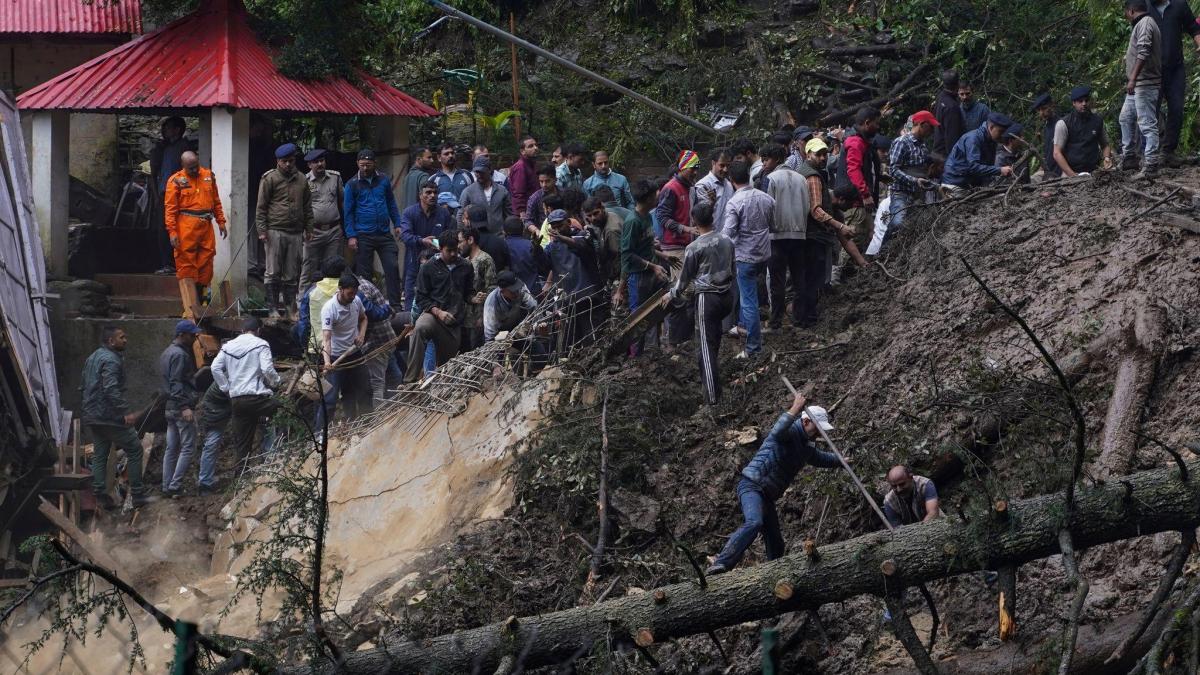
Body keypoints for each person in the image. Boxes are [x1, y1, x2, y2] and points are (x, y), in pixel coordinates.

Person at [706, 392, 841, 574]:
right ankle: (721, 563)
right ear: (806, 422)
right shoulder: (790, 431)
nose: (819, 433)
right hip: (752, 485)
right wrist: (795, 408)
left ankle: (773, 575)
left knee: (776, 542)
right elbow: (778, 430)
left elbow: (820, 458)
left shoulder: (807, 445)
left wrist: (841, 460)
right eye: (818, 428)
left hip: (768, 495)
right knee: (754, 522)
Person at [662, 203, 734, 405]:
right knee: (714, 339)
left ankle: (712, 400)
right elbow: (733, 267)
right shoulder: (727, 240)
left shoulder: (694, 247)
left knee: (705, 348)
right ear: (712, 218)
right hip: (727, 295)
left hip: (707, 298)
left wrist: (671, 294)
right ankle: (713, 386)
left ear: (694, 222)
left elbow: (684, 279)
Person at [81, 327, 149, 509]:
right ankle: (138, 494)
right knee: (134, 448)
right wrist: (125, 411)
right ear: (111, 341)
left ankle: (100, 495)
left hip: (92, 415)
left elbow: (83, 385)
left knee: (100, 454)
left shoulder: (92, 357)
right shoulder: (111, 360)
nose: (125, 340)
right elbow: (111, 388)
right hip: (108, 416)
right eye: (121, 337)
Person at [163, 150, 227, 317]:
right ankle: (190, 308)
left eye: (196, 166)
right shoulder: (175, 181)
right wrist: (172, 232)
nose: (194, 171)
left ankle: (205, 304)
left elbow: (216, 201)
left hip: (206, 225)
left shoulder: (208, 176)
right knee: (187, 267)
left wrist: (221, 222)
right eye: (190, 168)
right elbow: (170, 210)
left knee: (207, 267)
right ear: (183, 166)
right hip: (186, 226)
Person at [405, 230, 474, 382]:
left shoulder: (466, 266)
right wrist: (437, 312)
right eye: (449, 251)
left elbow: (468, 293)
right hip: (434, 317)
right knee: (421, 327)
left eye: (456, 250)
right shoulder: (428, 268)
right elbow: (421, 297)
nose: (454, 254)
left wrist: (474, 298)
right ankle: (410, 380)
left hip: (454, 322)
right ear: (440, 249)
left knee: (446, 366)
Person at [211, 316, 280, 462]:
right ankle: (273, 460)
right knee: (283, 411)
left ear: (242, 331)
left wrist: (226, 388)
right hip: (257, 399)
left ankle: (241, 477)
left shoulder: (228, 346)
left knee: (242, 444)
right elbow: (267, 369)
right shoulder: (261, 344)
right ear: (258, 330)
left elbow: (215, 367)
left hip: (237, 401)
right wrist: (276, 382)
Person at [256, 143, 314, 318]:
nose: (288, 164)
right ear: (278, 161)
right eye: (284, 161)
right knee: (273, 271)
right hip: (275, 230)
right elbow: (261, 207)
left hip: (295, 231)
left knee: (291, 273)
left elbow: (307, 206)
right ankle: (273, 309)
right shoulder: (270, 178)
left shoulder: (302, 179)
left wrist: (309, 228)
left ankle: (290, 309)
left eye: (291, 161)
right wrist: (262, 230)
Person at [723, 161, 773, 358]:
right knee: (752, 297)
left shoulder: (734, 202)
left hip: (745, 256)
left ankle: (753, 348)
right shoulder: (767, 198)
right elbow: (773, 225)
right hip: (764, 254)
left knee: (748, 300)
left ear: (731, 180)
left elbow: (727, 235)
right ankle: (744, 327)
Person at [758, 143, 810, 331]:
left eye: (766, 160)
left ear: (778, 160)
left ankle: (776, 322)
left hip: (776, 236)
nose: (764, 164)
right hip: (798, 234)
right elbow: (807, 206)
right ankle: (800, 319)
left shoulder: (770, 179)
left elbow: (766, 208)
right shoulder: (801, 178)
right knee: (799, 280)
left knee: (777, 282)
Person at [344, 148, 404, 308]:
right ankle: (368, 306)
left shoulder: (383, 180)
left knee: (392, 267)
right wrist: (351, 235)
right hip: (363, 234)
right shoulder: (352, 184)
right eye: (362, 165)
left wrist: (397, 224)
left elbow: (391, 203)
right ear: (357, 163)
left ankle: (396, 305)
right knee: (365, 274)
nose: (365, 168)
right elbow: (348, 212)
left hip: (384, 234)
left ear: (374, 164)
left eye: (368, 165)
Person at [800, 139, 863, 288]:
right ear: (808, 155)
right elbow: (815, 210)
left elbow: (845, 238)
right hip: (814, 236)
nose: (823, 158)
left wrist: (862, 262)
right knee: (815, 281)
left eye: (825, 154)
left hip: (809, 235)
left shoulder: (811, 173)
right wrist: (841, 226)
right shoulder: (813, 176)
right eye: (819, 154)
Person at [619, 180, 671, 355]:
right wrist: (652, 266)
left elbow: (647, 246)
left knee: (655, 314)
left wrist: (663, 257)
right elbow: (627, 253)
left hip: (651, 272)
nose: (658, 197)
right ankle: (636, 358)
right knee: (639, 318)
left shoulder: (648, 216)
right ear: (648, 198)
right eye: (655, 195)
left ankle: (651, 354)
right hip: (638, 276)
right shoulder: (632, 221)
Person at [1146, 0, 1200, 167]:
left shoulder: (1179, 5)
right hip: (1151, 70)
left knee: (1176, 108)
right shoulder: (1145, 6)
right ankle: (1148, 154)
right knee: (1150, 111)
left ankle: (1168, 152)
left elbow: (1193, 27)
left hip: (1175, 68)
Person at [317, 273, 370, 429]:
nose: (353, 296)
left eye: (354, 293)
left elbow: (364, 318)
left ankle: (365, 426)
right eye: (349, 293)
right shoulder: (329, 309)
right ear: (340, 289)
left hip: (354, 354)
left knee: (364, 390)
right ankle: (321, 434)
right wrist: (327, 363)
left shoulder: (357, 301)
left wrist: (361, 335)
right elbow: (326, 339)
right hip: (335, 357)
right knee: (330, 399)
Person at [1121, 0, 1164, 180]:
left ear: (1131, 11)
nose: (1125, 16)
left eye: (1126, 12)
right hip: (1138, 84)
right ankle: (1129, 157)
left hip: (1144, 83)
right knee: (1125, 117)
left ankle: (1151, 165)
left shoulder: (1145, 23)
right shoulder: (1142, 24)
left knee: (1147, 124)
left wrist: (1132, 78)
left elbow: (1144, 51)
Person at [160, 320, 202, 496]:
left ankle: (166, 486)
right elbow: (176, 381)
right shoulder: (180, 355)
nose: (195, 338)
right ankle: (175, 486)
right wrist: (184, 406)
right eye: (192, 335)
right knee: (187, 447)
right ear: (181, 335)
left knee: (171, 449)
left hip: (169, 407)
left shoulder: (167, 352)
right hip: (179, 407)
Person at [399, 180, 454, 310]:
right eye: (428, 192)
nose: (432, 195)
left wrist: (438, 243)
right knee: (411, 297)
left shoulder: (443, 213)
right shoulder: (409, 212)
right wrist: (422, 241)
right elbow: (405, 236)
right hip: (414, 261)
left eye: (435, 192)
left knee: (437, 296)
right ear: (420, 195)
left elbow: (450, 237)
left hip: (438, 263)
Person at [886, 110, 939, 242]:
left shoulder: (922, 146)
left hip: (917, 194)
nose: (932, 130)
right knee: (898, 223)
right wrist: (914, 180)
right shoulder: (902, 142)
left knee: (913, 228)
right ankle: (881, 254)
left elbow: (923, 171)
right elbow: (893, 170)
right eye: (930, 127)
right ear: (922, 124)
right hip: (901, 192)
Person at [835, 108, 882, 244]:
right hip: (855, 205)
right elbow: (853, 169)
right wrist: (866, 194)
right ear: (867, 123)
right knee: (854, 244)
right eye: (876, 123)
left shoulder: (862, 142)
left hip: (860, 205)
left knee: (864, 244)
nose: (878, 127)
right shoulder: (856, 142)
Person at [151, 116, 189, 275]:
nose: (164, 131)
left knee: (177, 229)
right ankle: (167, 263)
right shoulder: (164, 148)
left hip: (177, 194)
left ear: (177, 130)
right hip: (163, 192)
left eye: (168, 128)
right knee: (162, 229)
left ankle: (176, 263)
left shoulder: (183, 148)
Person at [301, 148, 344, 289]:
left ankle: (331, 300)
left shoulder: (335, 177)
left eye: (322, 161)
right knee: (309, 267)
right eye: (315, 162)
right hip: (313, 232)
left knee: (333, 267)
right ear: (309, 165)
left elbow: (342, 202)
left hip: (333, 231)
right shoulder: (304, 181)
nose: (320, 164)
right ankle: (304, 301)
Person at [942, 112, 1016, 190]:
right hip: (954, 183)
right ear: (991, 127)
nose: (1003, 135)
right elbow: (973, 167)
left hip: (969, 184)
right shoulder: (973, 139)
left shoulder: (992, 141)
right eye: (1001, 131)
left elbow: (987, 167)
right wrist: (999, 170)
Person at [1052, 86, 1113, 177]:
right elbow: (1057, 153)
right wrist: (1072, 174)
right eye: (1080, 101)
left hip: (1094, 171)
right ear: (1074, 103)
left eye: (1086, 100)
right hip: (1070, 172)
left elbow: (1105, 144)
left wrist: (1107, 157)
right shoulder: (1064, 123)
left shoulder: (1097, 121)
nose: (1084, 104)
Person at [458, 224, 496, 351]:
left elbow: (491, 288)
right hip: (464, 318)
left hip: (478, 320)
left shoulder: (485, 259)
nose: (458, 246)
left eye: (460, 242)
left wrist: (482, 316)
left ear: (470, 240)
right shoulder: (465, 260)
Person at [657, 150, 701, 257]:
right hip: (674, 247)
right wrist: (686, 229)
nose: (695, 172)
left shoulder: (691, 188)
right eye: (692, 168)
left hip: (690, 245)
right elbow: (662, 217)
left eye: (697, 169)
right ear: (682, 167)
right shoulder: (671, 188)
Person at [458, 156, 514, 234]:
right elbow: (460, 214)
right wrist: (464, 234)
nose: (479, 174)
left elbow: (509, 214)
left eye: (482, 171)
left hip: (499, 236)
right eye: (476, 172)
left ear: (490, 170)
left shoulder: (502, 191)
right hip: (477, 238)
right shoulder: (468, 191)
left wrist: (508, 231)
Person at [195, 381, 231, 496]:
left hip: (226, 407)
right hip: (215, 411)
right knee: (212, 443)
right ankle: (205, 483)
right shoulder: (226, 377)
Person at [483, 270, 538, 341]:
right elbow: (490, 334)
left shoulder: (520, 288)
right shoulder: (491, 302)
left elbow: (533, 307)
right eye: (513, 291)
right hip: (502, 337)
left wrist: (535, 327)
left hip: (520, 330)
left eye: (517, 289)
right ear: (502, 291)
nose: (517, 293)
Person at [692, 148, 734, 233]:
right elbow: (702, 216)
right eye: (722, 165)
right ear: (713, 163)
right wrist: (711, 203)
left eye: (728, 165)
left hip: (727, 237)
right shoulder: (703, 185)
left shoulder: (729, 185)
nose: (725, 169)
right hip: (710, 238)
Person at [503, 216, 547, 295]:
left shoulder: (502, 246)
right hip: (533, 292)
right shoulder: (531, 245)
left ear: (504, 232)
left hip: (510, 294)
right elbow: (545, 267)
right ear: (523, 230)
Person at [932, 70, 965, 156]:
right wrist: (954, 158)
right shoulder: (952, 106)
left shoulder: (940, 97)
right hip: (945, 155)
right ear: (957, 84)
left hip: (937, 149)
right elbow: (951, 135)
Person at [507, 136, 540, 221]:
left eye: (536, 145)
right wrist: (522, 212)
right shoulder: (520, 167)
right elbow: (518, 192)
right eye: (531, 146)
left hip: (533, 210)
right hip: (524, 214)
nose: (536, 148)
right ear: (522, 151)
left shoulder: (532, 164)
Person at [1032, 93, 1062, 178]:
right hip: (1048, 171)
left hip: (1059, 172)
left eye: (1044, 109)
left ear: (1052, 106)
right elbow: (1047, 153)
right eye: (1039, 110)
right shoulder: (1046, 127)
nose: (1042, 113)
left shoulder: (1060, 124)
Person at [524, 164, 559, 235]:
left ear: (555, 180)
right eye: (541, 181)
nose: (544, 185)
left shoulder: (563, 194)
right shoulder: (535, 198)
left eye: (547, 181)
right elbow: (528, 221)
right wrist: (537, 231)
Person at [400, 145, 436, 209]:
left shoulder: (407, 176)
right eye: (429, 157)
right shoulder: (423, 176)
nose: (432, 160)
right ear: (419, 159)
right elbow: (427, 201)